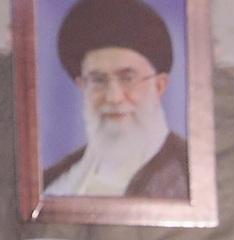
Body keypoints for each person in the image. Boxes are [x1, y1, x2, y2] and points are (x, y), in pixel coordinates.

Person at [43, 0, 190, 200]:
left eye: (127, 78)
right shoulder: (54, 183)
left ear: (159, 86)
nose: (113, 97)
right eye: (98, 80)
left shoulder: (191, 173)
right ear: (82, 86)